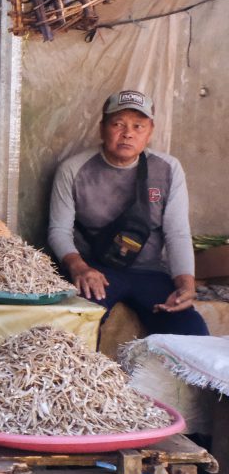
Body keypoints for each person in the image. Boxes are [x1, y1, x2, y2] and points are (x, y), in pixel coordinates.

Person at [48, 89, 208, 336]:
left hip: (150, 271)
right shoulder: (74, 169)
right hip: (95, 270)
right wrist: (78, 267)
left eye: (138, 126)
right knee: (76, 329)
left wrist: (185, 284)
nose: (128, 133)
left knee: (191, 331)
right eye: (118, 124)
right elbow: (59, 230)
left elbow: (177, 233)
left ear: (150, 132)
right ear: (102, 128)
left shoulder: (167, 169)